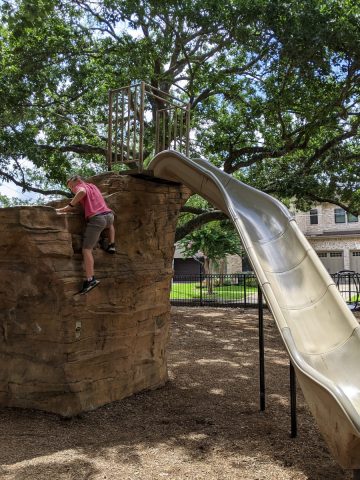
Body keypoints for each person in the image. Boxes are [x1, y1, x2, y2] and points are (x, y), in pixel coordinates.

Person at [56, 175, 116, 294]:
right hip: (109, 216)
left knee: (86, 249)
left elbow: (82, 192)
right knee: (110, 225)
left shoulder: (80, 186)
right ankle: (111, 244)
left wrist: (68, 207)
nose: (72, 190)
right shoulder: (92, 186)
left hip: (97, 219)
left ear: (77, 181)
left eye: (71, 187)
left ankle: (90, 279)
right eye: (71, 188)